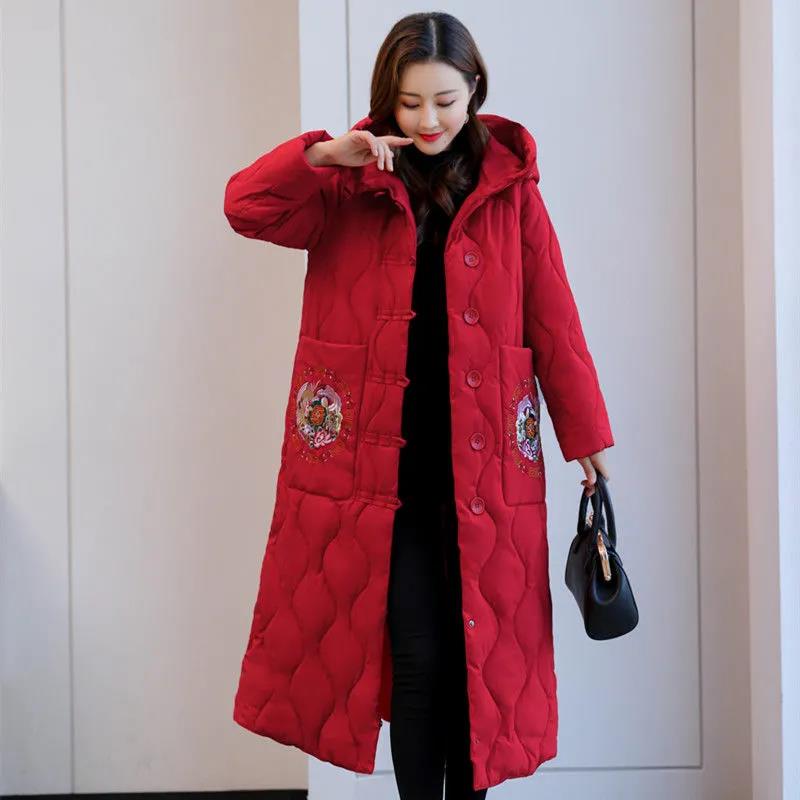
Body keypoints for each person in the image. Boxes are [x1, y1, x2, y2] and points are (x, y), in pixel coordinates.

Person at [224, 10, 614, 798]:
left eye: (444, 100)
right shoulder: (349, 185)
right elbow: (246, 208)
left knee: (477, 665)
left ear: (474, 90)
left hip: (483, 468)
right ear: (387, 99)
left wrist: (588, 437)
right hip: (376, 474)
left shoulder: (509, 191)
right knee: (417, 659)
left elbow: (554, 317)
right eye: (409, 103)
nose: (428, 120)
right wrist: (322, 155)